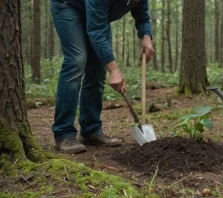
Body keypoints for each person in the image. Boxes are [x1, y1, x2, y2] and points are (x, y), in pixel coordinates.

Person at [50, 0, 154, 154]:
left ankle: (90, 131)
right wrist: (114, 70)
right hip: (68, 7)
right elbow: (96, 32)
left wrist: (147, 36)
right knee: (77, 60)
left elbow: (143, 17)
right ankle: (63, 133)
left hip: (96, 15)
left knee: (98, 67)